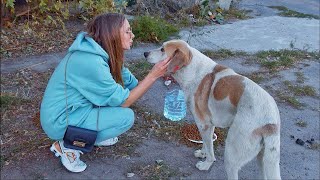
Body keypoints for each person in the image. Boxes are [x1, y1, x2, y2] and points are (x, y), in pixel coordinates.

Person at [40, 13, 170, 173]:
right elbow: (125, 101)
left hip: (75, 110)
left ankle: (90, 134)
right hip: (58, 120)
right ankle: (67, 146)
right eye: (128, 31)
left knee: (118, 111)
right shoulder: (90, 62)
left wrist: (166, 73)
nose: (133, 35)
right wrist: (153, 75)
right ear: (113, 34)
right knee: (125, 118)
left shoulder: (101, 50)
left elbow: (133, 84)